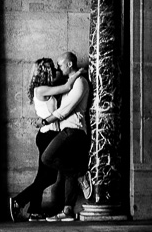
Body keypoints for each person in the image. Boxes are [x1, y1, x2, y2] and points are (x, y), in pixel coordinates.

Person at [9, 58, 72, 221]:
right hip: (47, 136)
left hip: (49, 134)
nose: (56, 70)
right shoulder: (41, 89)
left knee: (42, 176)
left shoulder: (46, 88)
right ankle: (18, 201)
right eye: (52, 67)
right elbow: (66, 86)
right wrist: (78, 72)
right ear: (46, 71)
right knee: (50, 177)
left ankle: (35, 210)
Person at [38, 51, 91, 222]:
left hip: (74, 131)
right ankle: (68, 210)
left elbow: (65, 110)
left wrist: (46, 121)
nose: (58, 68)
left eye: (60, 65)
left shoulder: (81, 83)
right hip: (66, 131)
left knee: (47, 157)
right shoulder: (71, 81)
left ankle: (80, 173)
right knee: (67, 172)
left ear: (69, 64)